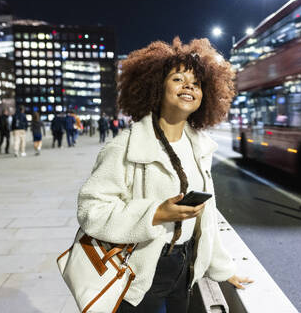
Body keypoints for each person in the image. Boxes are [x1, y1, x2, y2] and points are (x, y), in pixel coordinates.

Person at [76, 38, 253, 313]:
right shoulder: (125, 146)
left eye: (196, 83)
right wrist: (155, 214)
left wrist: (223, 269)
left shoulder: (200, 147)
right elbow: (91, 210)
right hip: (140, 272)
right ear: (156, 87)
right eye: (178, 79)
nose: (189, 86)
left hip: (186, 270)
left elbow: (207, 219)